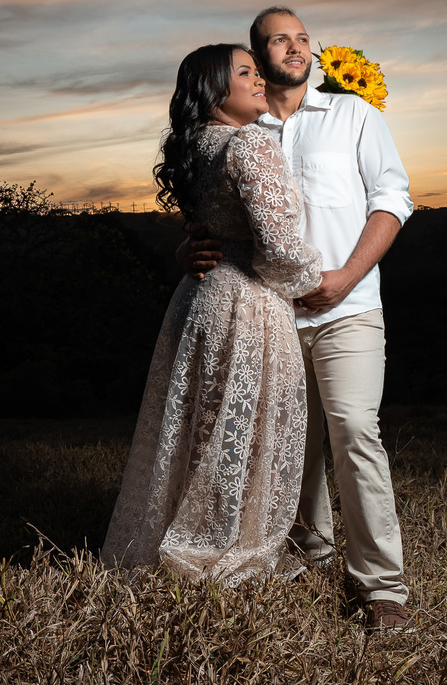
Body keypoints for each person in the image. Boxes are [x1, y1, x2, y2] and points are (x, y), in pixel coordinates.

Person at [181, 7, 414, 630]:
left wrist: (346, 277)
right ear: (256, 55)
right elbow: (222, 218)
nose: (296, 46)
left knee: (355, 432)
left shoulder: (353, 115)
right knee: (291, 444)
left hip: (349, 309)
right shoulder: (238, 128)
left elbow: (394, 199)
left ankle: (381, 587)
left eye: (303, 37)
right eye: (280, 38)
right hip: (268, 314)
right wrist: (194, 246)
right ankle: (310, 557)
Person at [101, 43, 323, 585]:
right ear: (215, 91)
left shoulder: (198, 145)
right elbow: (282, 249)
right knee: (244, 434)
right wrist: (314, 283)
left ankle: (177, 540)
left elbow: (207, 232)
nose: (258, 80)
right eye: (244, 72)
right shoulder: (249, 145)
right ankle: (225, 549)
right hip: (249, 303)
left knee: (202, 430)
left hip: (198, 301)